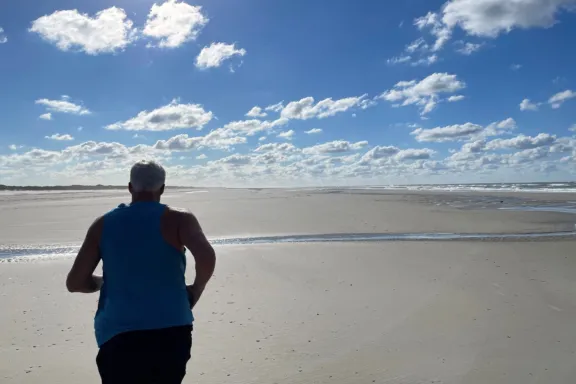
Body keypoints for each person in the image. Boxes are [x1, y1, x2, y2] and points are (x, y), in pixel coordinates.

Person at [66, 160, 216, 384]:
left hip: (118, 331)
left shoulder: (103, 224)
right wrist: (196, 289)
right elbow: (206, 257)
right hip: (172, 327)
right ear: (162, 189)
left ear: (129, 187)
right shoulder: (180, 219)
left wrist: (101, 283)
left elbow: (75, 283)